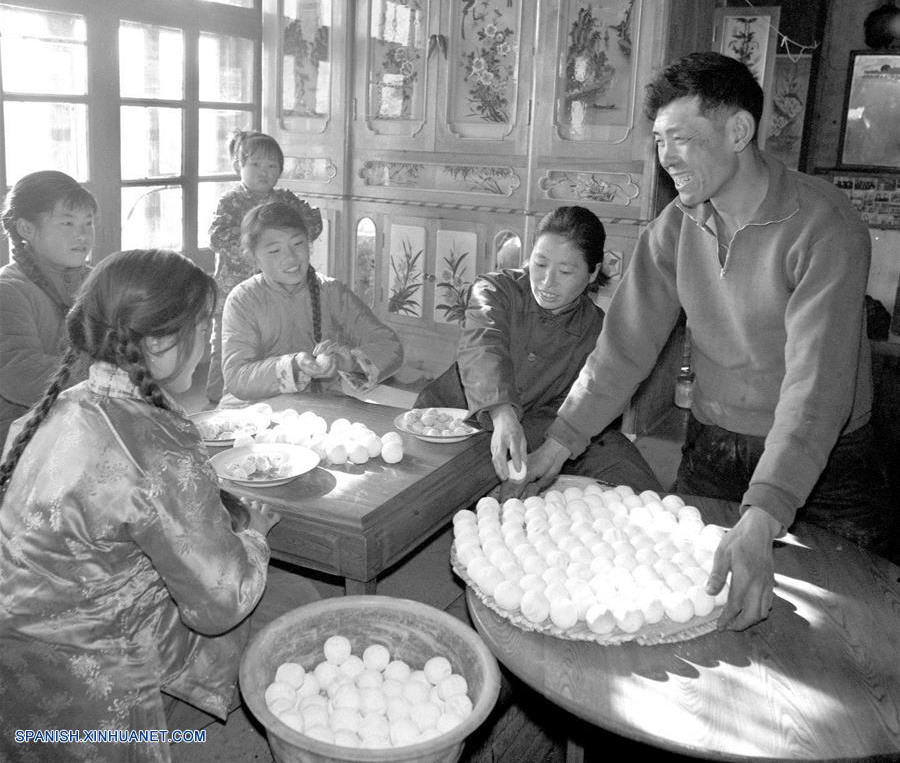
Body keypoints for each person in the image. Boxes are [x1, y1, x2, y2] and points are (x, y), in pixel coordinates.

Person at [525, 51, 893, 631]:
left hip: (825, 463)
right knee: (694, 608)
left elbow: (816, 387)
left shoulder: (824, 225)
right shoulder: (675, 226)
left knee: (844, 628)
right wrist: (561, 439)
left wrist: (767, 508)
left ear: (739, 130)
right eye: (658, 140)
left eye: (681, 138)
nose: (666, 156)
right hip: (716, 443)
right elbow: (623, 347)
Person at [0, 249, 279, 763]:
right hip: (94, 677)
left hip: (14, 650)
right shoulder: (159, 451)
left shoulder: (57, 406)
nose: (209, 340)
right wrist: (255, 535)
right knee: (274, 612)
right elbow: (221, 603)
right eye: (204, 325)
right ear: (157, 340)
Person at [414, 206, 661, 494]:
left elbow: (576, 407)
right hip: (458, 417)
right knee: (443, 491)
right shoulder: (494, 290)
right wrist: (502, 413)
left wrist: (540, 454)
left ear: (593, 273)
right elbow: (483, 348)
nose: (546, 281)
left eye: (565, 271)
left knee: (623, 466)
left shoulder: (598, 332)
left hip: (537, 430)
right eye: (540, 264)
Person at [221, 200, 403, 402]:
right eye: (274, 251)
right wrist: (293, 365)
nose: (291, 257)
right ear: (253, 258)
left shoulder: (332, 292)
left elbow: (390, 346)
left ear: (309, 244)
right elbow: (237, 377)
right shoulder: (243, 300)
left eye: (298, 244)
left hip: (321, 404)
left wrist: (348, 362)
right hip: (256, 409)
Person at [207, 129, 322, 403]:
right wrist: (256, 250)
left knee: (273, 336)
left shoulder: (286, 201)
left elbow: (312, 224)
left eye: (272, 166)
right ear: (239, 166)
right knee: (228, 343)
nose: (264, 172)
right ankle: (217, 397)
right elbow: (217, 237)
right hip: (234, 290)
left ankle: (269, 388)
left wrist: (289, 246)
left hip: (278, 289)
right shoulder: (231, 202)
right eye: (255, 164)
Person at [0, 170, 98, 449]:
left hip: (84, 420)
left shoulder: (97, 280)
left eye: (88, 223)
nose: (82, 234)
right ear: (27, 229)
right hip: (25, 435)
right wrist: (104, 370)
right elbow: (19, 374)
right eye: (68, 223)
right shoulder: (8, 289)